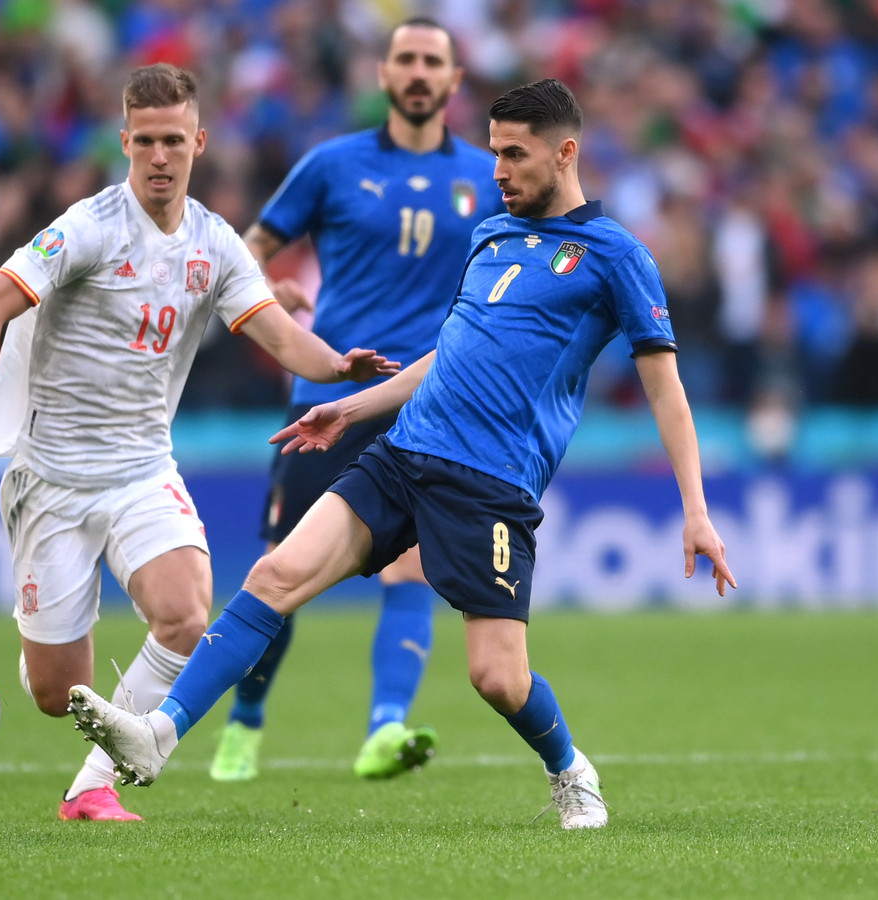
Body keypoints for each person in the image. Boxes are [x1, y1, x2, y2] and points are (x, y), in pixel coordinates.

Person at [66, 78, 737, 830]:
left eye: (515, 155)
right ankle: (159, 734)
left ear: (565, 153)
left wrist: (696, 510)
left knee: (496, 677)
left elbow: (666, 390)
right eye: (494, 153)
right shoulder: (490, 236)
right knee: (274, 575)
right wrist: (348, 408)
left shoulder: (616, 255)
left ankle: (570, 768)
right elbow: (449, 355)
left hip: (490, 483)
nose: (498, 171)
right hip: (404, 452)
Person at [0, 63, 399, 823]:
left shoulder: (215, 242)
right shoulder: (86, 228)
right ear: (124, 141)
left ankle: (93, 786)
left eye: (173, 141)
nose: (159, 156)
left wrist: (337, 366)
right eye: (145, 141)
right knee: (57, 692)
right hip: (51, 478)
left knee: (186, 615)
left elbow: (281, 336)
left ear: (199, 142)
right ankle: (41, 652)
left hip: (142, 468)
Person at [210, 15, 505, 784]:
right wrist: (259, 292)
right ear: (383, 74)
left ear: (453, 80)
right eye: (405, 59)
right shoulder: (332, 164)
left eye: (431, 61)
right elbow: (247, 248)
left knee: (410, 569)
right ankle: (245, 719)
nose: (417, 72)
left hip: (427, 403)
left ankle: (384, 728)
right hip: (328, 396)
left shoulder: (487, 176)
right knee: (281, 571)